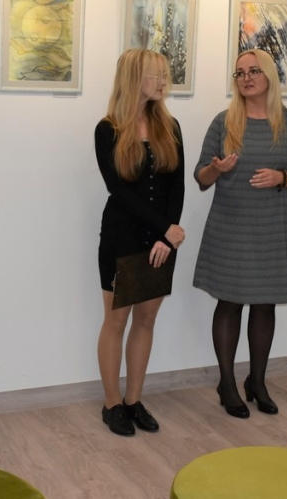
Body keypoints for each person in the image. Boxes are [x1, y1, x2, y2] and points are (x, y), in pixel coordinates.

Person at [193, 49, 287, 417]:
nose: (246, 78)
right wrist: (217, 169)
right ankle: (227, 383)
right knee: (230, 302)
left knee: (265, 303)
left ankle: (257, 381)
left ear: (269, 75)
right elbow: (201, 177)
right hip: (231, 227)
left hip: (272, 229)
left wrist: (282, 177)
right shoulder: (224, 122)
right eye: (239, 73)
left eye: (253, 71)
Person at [94, 49, 186, 436]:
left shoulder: (171, 126)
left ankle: (134, 400)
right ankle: (112, 403)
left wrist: (167, 234)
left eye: (165, 75)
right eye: (155, 75)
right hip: (122, 239)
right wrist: (168, 229)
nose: (163, 82)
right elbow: (119, 191)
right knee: (116, 321)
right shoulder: (108, 129)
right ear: (134, 78)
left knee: (146, 321)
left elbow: (177, 186)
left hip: (160, 243)